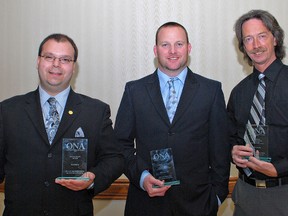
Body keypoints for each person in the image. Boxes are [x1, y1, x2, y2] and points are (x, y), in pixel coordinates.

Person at [0, 33, 124, 216]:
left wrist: (92, 178)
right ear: (38, 61)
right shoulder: (8, 111)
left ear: (74, 67)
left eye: (65, 59)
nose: (56, 65)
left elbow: (115, 159)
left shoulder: (95, 112)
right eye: (49, 57)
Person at [114, 22, 230, 216]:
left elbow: (220, 148)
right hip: (146, 204)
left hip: (197, 204)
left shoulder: (211, 90)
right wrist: (142, 177)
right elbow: (120, 145)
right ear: (155, 50)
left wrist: (217, 197)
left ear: (189, 48)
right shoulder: (135, 91)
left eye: (179, 44)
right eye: (165, 44)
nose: (173, 51)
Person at [228, 10, 288, 216]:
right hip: (245, 195)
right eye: (248, 39)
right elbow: (231, 138)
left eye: (262, 36)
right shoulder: (238, 92)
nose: (256, 45)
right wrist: (232, 152)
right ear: (243, 47)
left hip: (284, 194)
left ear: (276, 39)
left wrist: (279, 169)